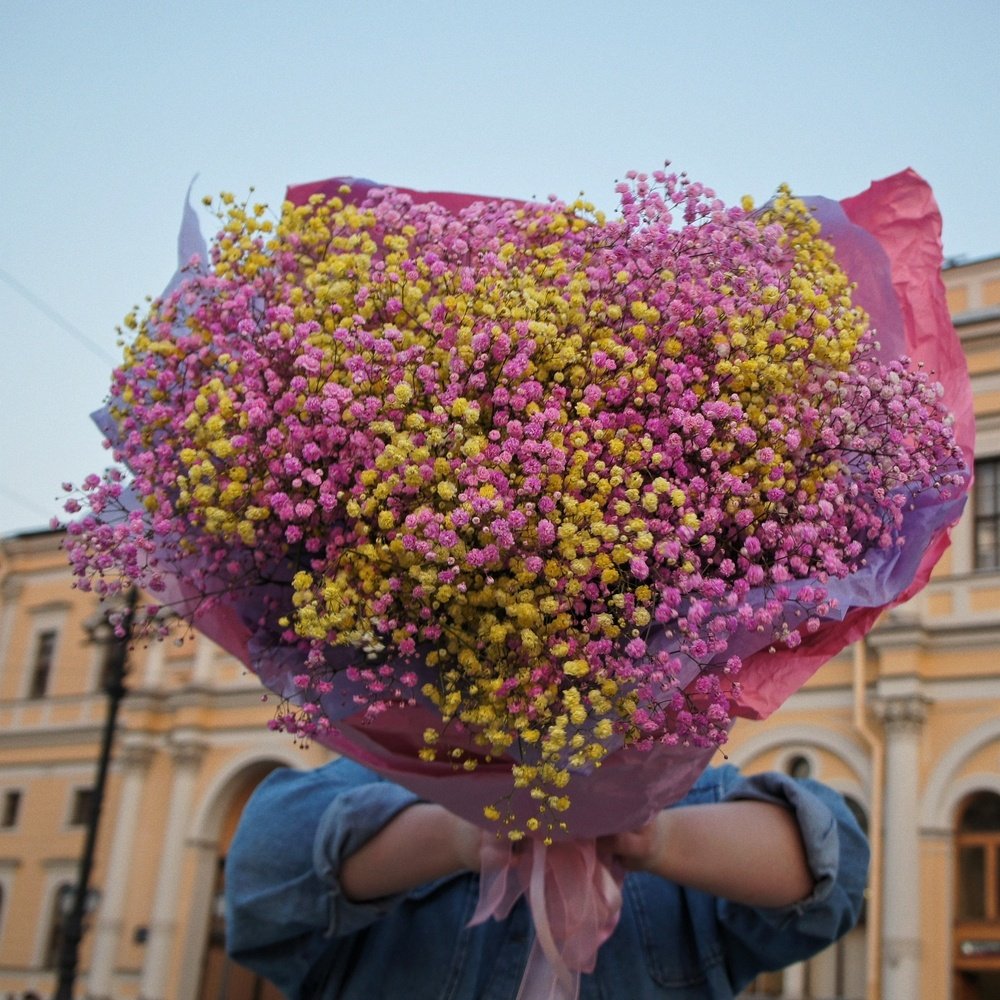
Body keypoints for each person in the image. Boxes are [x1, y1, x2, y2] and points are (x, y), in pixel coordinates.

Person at [225, 756, 868, 999]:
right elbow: (263, 874)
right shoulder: (389, 771)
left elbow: (833, 871)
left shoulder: (691, 791)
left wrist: (652, 834)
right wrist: (461, 832)